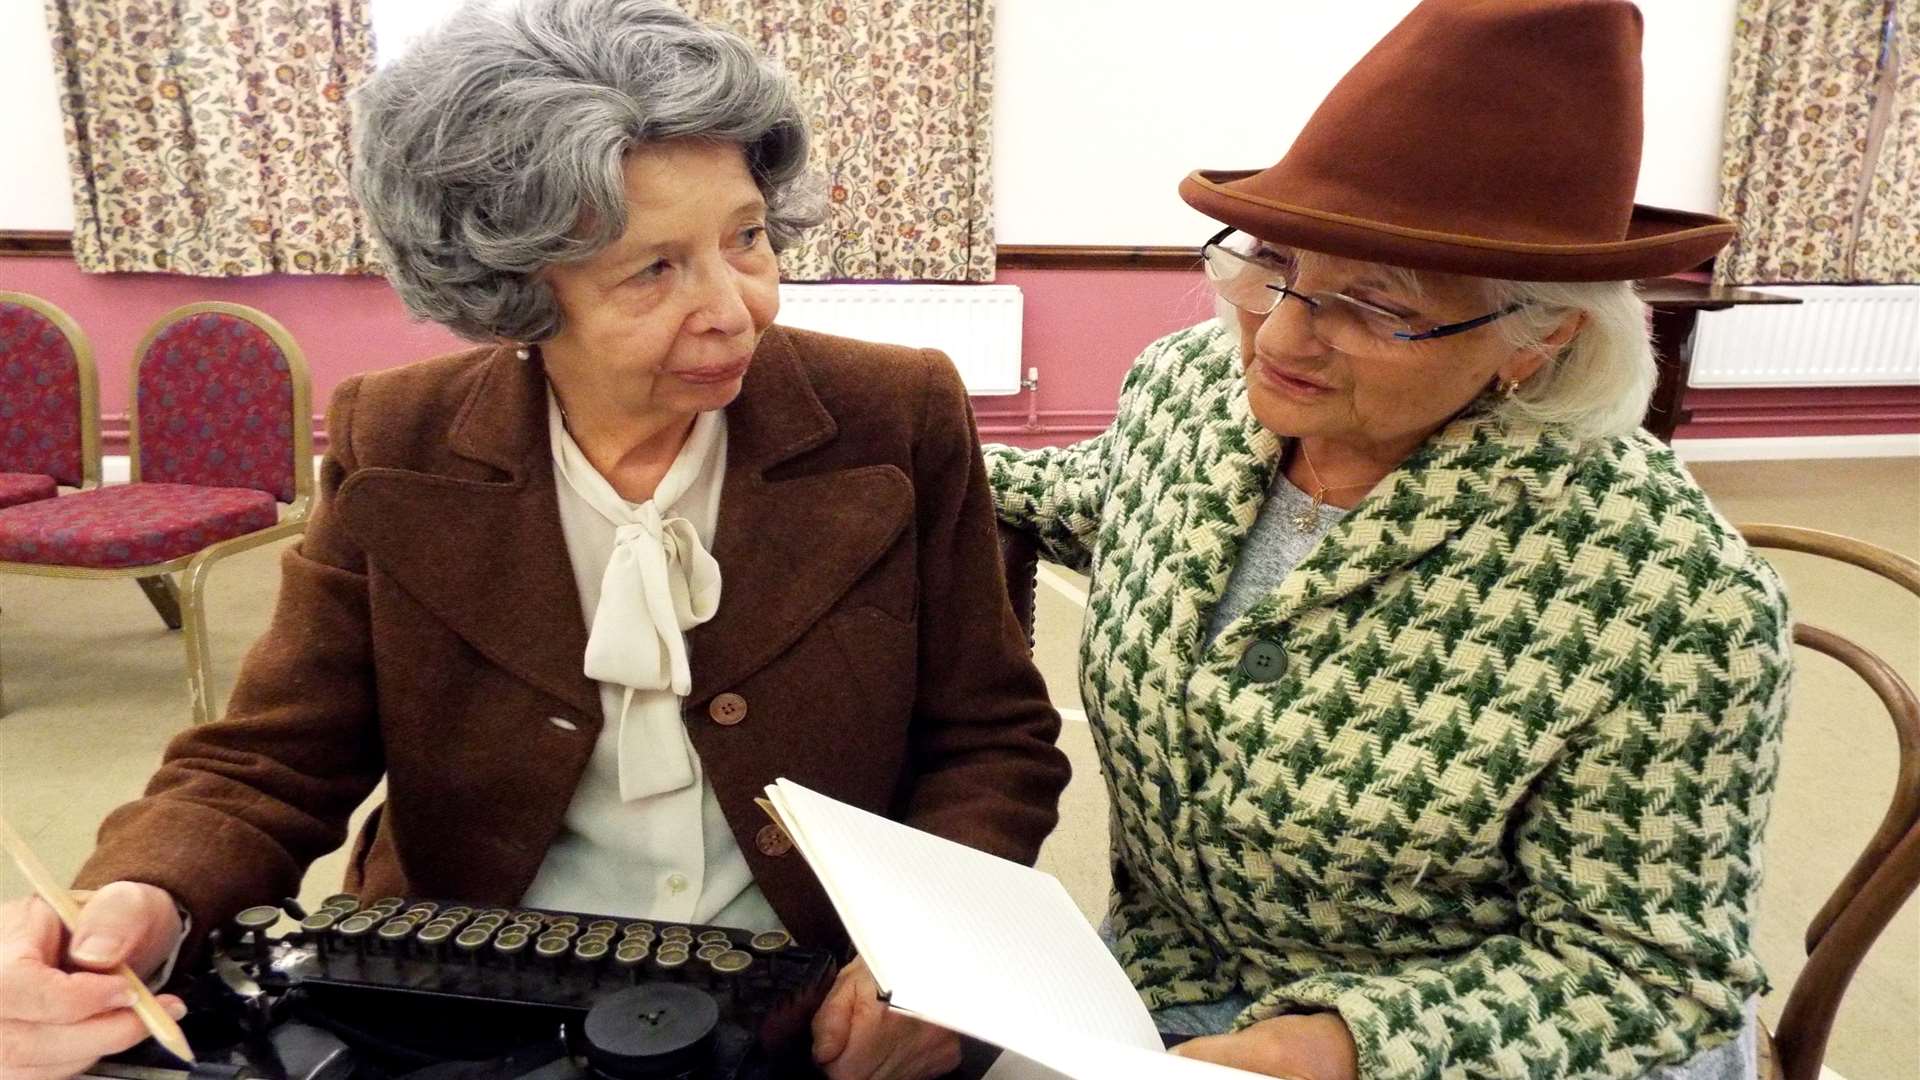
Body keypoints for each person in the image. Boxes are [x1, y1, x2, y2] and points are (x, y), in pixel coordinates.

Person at [0, 3, 1067, 1079]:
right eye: (653, 269)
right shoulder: (398, 438)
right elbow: (274, 756)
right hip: (472, 992)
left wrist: (929, 962)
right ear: (515, 286)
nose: (737, 308)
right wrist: (141, 895)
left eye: (745, 236)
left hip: (814, 1004)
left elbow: (991, 742)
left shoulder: (894, 413)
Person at [986, 1, 1790, 1077]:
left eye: (1377, 305)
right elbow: (1088, 499)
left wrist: (1346, 1048)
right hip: (1162, 991)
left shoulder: (1671, 599)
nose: (1276, 335)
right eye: (1271, 263)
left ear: (1540, 334)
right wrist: (857, 419)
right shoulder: (1195, 392)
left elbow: (1649, 970)